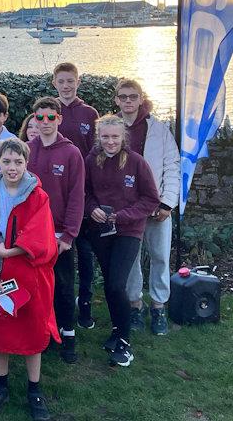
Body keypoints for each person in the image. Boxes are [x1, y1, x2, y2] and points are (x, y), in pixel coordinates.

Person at [0, 137, 59, 420]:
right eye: (6, 161)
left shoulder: (37, 196)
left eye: (18, 162)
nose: (12, 167)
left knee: (33, 327)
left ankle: (34, 388)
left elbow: (41, 239)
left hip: (27, 272)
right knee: (2, 327)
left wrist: (7, 252)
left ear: (26, 163)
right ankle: (1, 385)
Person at [84, 115, 160, 367]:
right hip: (101, 230)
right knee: (109, 283)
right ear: (98, 137)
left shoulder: (137, 163)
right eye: (105, 136)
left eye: (115, 136)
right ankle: (117, 330)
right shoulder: (92, 160)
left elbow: (151, 199)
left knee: (118, 283)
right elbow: (84, 193)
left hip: (128, 231)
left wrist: (123, 216)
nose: (110, 141)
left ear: (123, 137)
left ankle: (125, 343)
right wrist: (92, 207)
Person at [114, 79, 180, 336]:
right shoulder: (113, 129)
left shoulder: (159, 130)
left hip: (157, 207)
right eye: (123, 97)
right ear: (117, 100)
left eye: (133, 96)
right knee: (131, 261)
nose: (128, 101)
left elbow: (172, 167)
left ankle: (159, 306)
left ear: (141, 99)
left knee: (160, 257)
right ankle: (135, 306)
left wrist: (167, 203)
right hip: (128, 210)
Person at [26, 97, 85, 364]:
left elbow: (76, 196)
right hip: (33, 234)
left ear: (59, 119)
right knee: (39, 287)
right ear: (34, 119)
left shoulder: (71, 153)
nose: (45, 123)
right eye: (40, 118)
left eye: (51, 117)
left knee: (63, 285)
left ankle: (68, 333)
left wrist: (69, 234)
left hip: (60, 233)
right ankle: (46, 332)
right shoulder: (28, 150)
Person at [52, 62, 100, 330]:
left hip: (84, 194)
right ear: (54, 83)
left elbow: (96, 152)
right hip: (59, 195)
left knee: (85, 252)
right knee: (60, 256)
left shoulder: (89, 113)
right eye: (61, 81)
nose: (66, 86)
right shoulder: (50, 111)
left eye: (70, 81)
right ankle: (59, 307)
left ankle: (85, 306)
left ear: (78, 82)